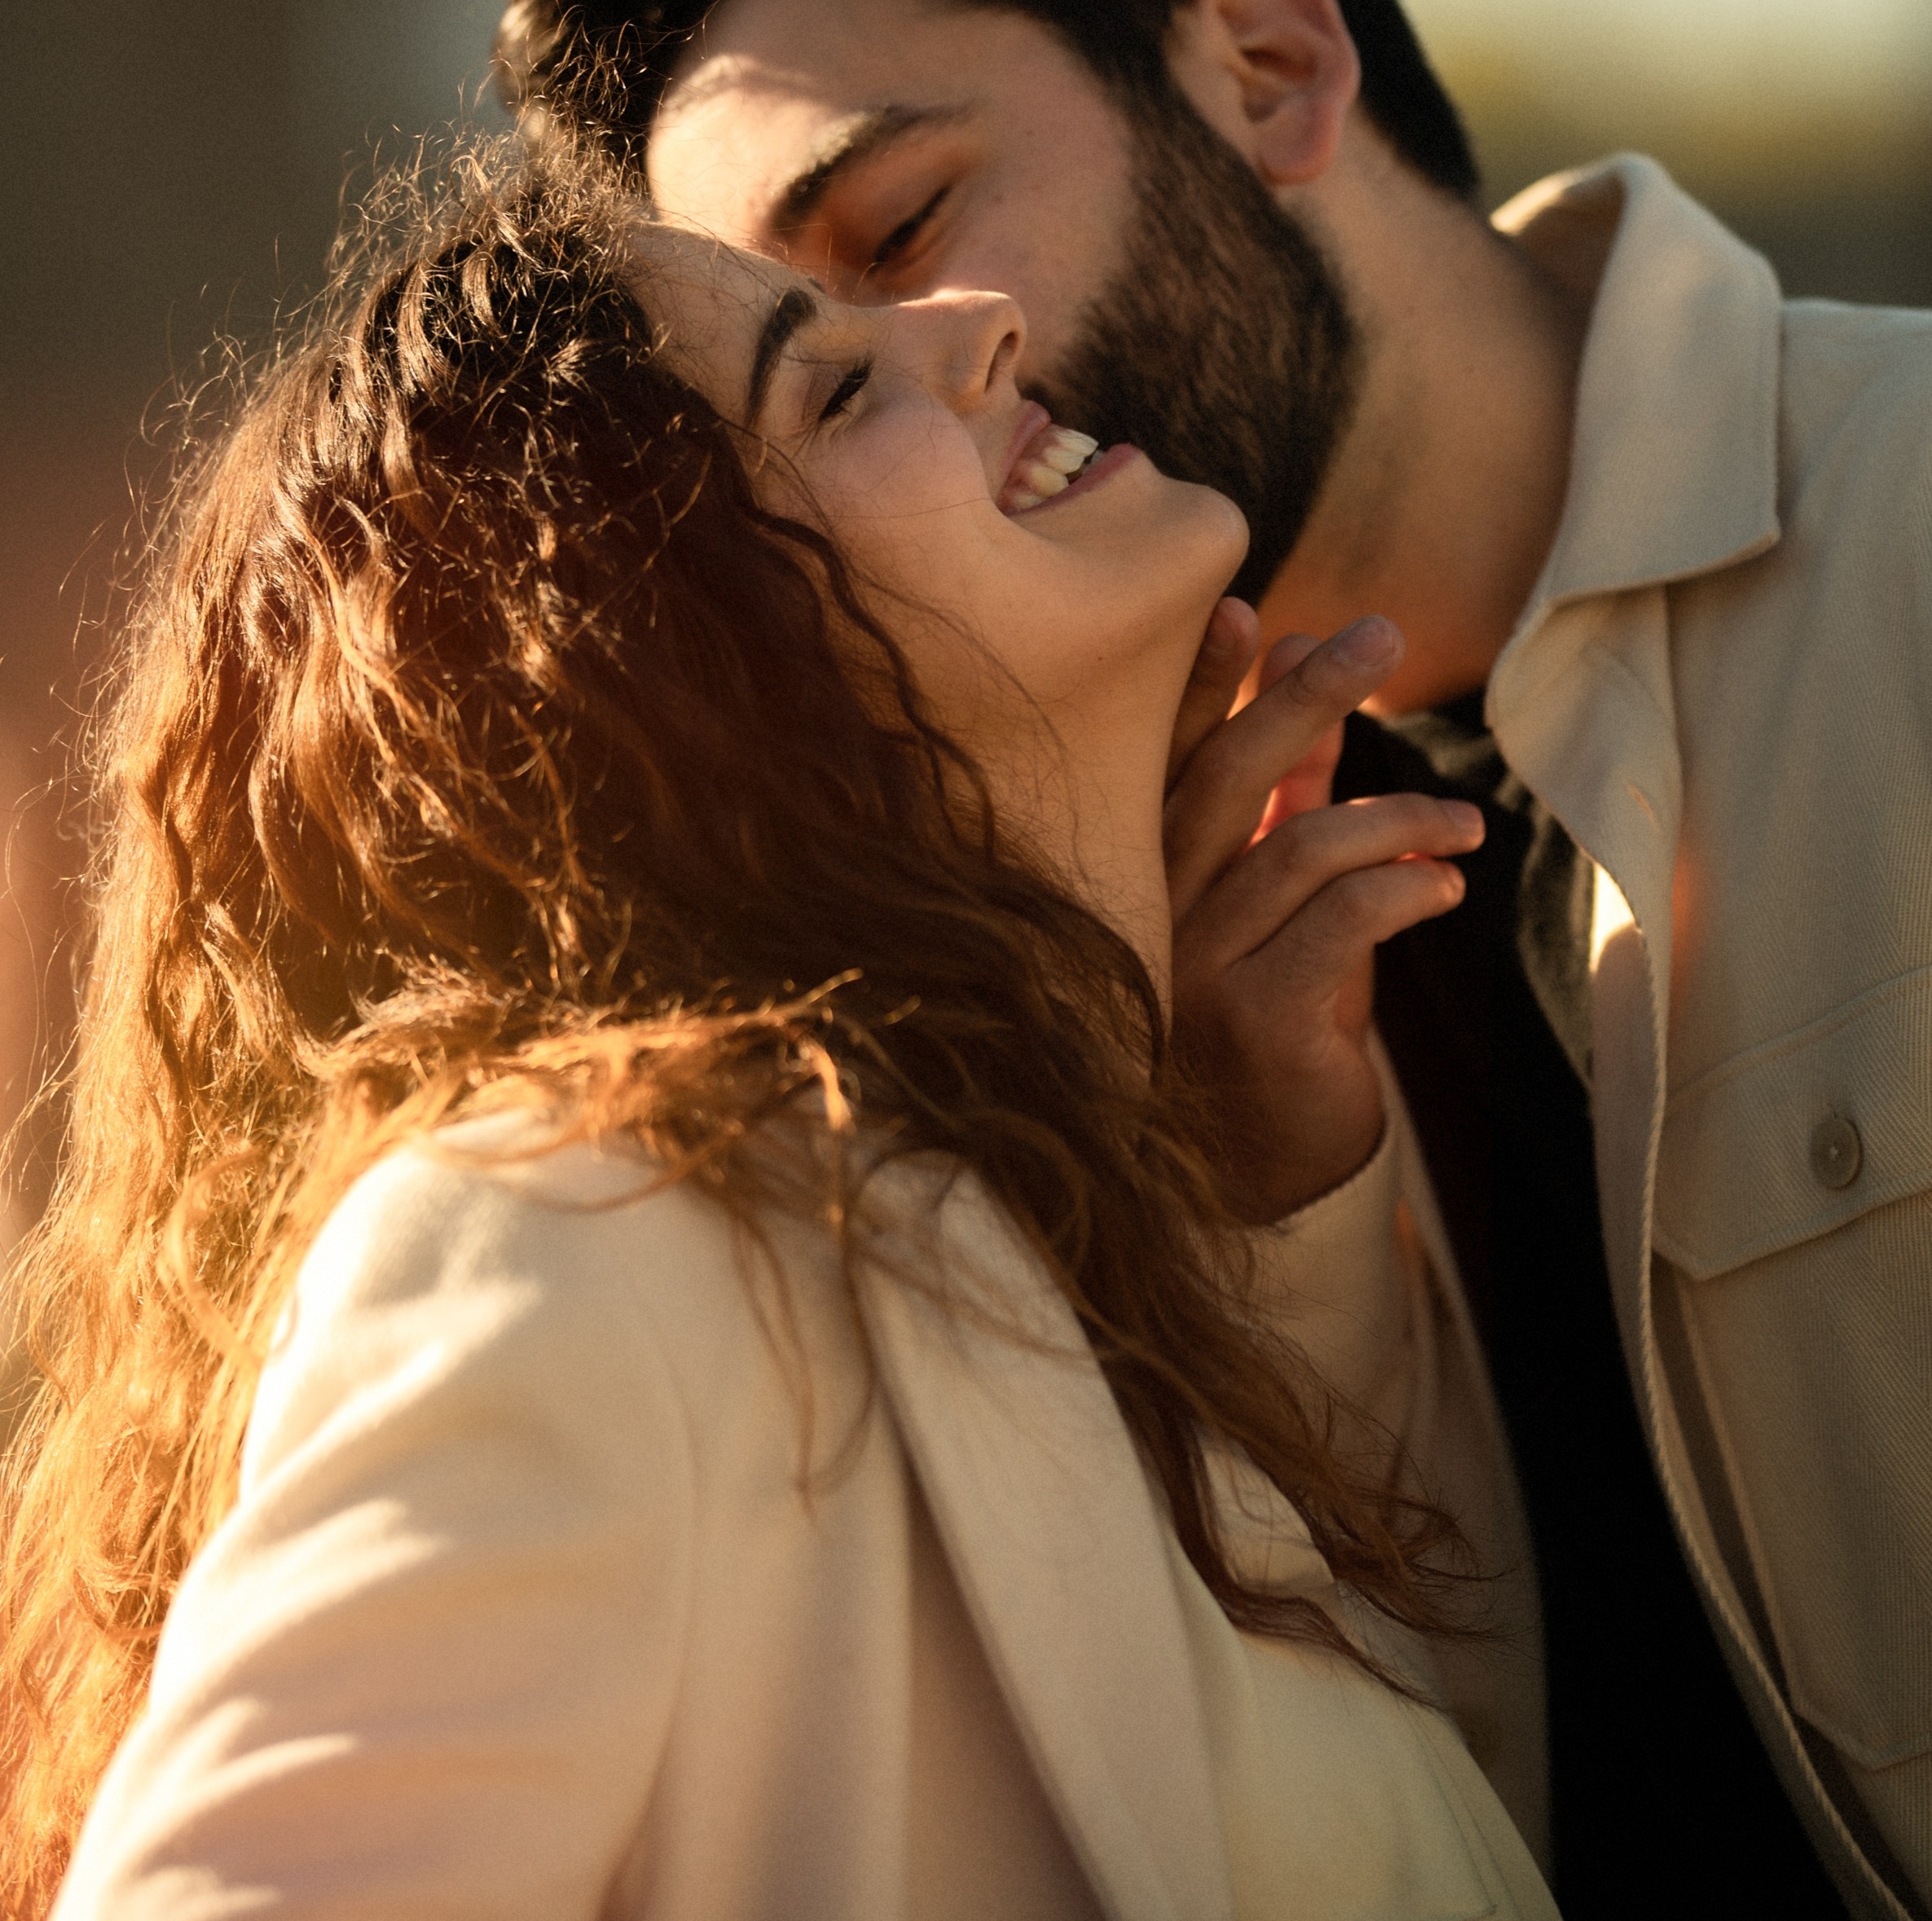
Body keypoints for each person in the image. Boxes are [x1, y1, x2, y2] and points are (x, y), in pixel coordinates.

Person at [494, 0, 1932, 1921]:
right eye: (818, 381)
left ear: (1269, 66)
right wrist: (1272, 1202)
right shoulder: (1081, 943)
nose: (917, 412)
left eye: (905, 223)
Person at [1, 142, 1558, 1919]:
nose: (978, 321)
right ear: (669, 676)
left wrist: (1262, 1195)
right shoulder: (585, 1235)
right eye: (829, 382)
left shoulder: (1116, 1245)